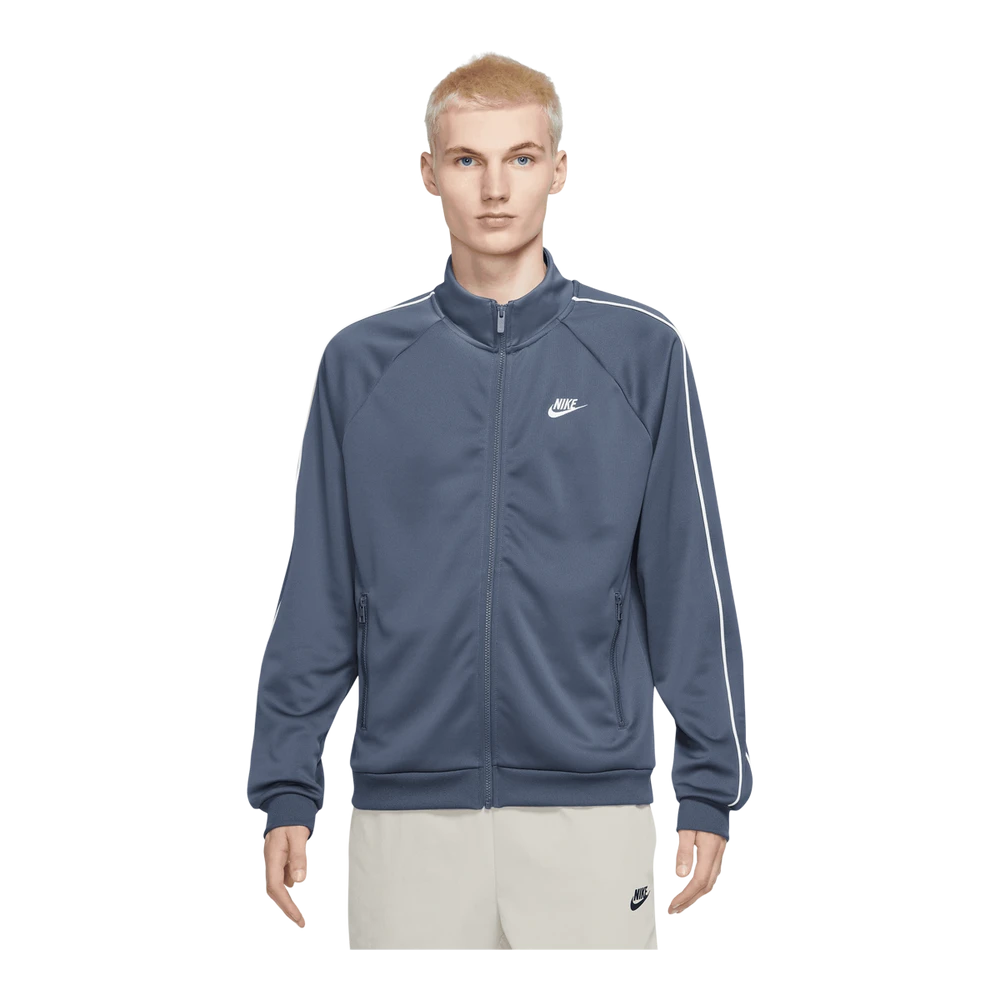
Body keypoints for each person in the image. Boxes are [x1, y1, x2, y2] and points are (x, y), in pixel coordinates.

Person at [246, 50, 753, 950]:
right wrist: (286, 783)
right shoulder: (361, 366)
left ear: (560, 169)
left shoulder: (640, 356)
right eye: (467, 159)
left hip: (590, 812)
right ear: (427, 172)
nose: (493, 189)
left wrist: (711, 785)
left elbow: (690, 584)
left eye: (520, 158)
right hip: (407, 814)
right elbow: (318, 589)